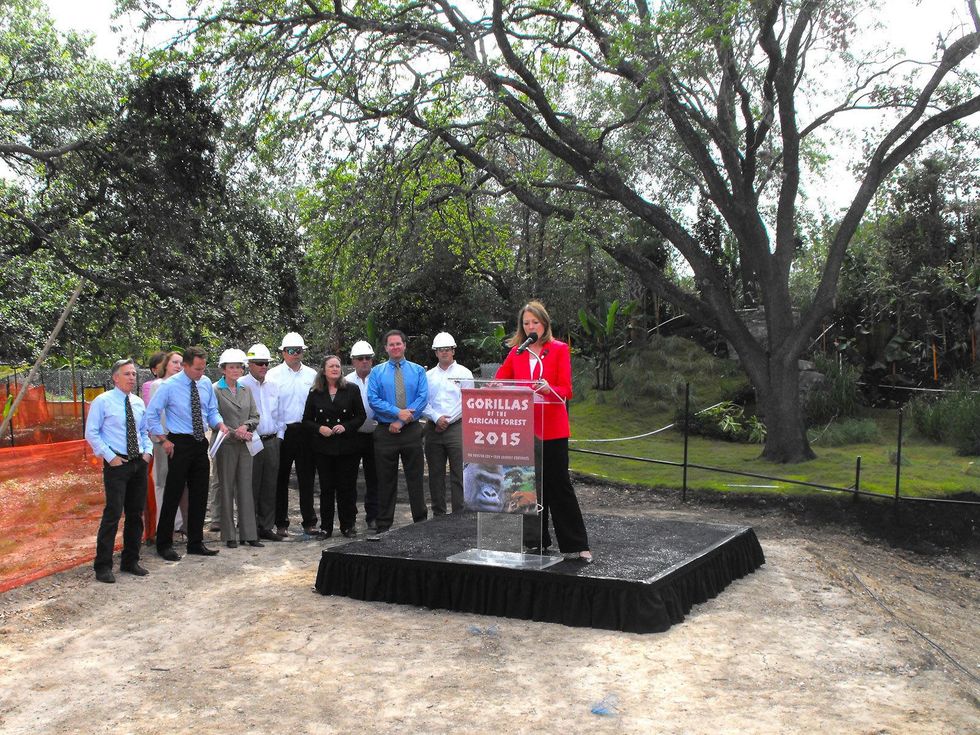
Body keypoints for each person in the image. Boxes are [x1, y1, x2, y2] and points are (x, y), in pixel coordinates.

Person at [495, 301, 592, 562]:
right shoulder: (517, 351)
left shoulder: (558, 349)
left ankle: (575, 544)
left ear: (545, 324)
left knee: (559, 486)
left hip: (553, 428)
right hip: (524, 429)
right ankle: (535, 542)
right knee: (526, 486)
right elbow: (500, 381)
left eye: (534, 323)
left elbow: (567, 390)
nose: (530, 327)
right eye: (526, 323)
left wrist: (551, 389)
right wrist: (492, 389)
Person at [146, 346, 229, 561]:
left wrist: (219, 424)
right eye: (196, 369)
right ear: (185, 365)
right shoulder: (169, 386)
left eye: (203, 368)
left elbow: (211, 410)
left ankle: (195, 542)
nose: (200, 373)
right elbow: (151, 415)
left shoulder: (204, 384)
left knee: (200, 494)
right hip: (179, 442)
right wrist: (163, 440)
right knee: (173, 493)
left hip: (200, 442)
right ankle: (164, 543)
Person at [85, 358, 153, 583]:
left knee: (135, 514)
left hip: (138, 464)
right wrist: (110, 457)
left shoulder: (137, 402)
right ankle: (103, 566)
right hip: (117, 465)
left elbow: (144, 431)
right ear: (115, 377)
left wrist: (147, 452)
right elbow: (92, 432)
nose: (132, 377)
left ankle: (130, 560)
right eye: (127, 374)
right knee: (113, 514)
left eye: (134, 373)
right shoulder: (103, 401)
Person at [367, 329, 429, 533]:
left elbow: (422, 398)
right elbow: (373, 399)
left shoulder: (418, 370)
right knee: (385, 480)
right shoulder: (376, 372)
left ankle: (420, 521)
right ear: (385, 348)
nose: (395, 347)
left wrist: (402, 421)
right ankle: (384, 524)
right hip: (385, 432)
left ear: (404, 345)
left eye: (398, 343)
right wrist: (396, 413)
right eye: (391, 344)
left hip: (410, 430)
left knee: (415, 478)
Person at [303, 355, 366, 537]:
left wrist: (346, 426)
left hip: (347, 447)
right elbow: (306, 420)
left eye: (338, 366)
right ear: (323, 370)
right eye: (331, 366)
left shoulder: (352, 390)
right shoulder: (315, 392)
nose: (335, 369)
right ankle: (326, 527)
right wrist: (319, 428)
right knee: (326, 489)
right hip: (323, 448)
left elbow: (360, 416)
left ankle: (348, 525)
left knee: (347, 488)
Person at [267, 332, 317, 536]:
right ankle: (281, 523)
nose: (295, 354)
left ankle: (309, 522)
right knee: (281, 478)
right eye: (291, 351)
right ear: (282, 352)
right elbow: (271, 407)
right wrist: (278, 433)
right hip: (284, 431)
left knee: (307, 478)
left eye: (299, 350)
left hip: (306, 432)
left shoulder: (312, 375)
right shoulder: (273, 375)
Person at [212, 349, 262, 548]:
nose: (235, 370)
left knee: (245, 487)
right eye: (231, 367)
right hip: (225, 443)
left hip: (245, 443)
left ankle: (249, 534)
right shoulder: (215, 390)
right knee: (225, 487)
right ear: (223, 369)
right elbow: (213, 417)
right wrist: (235, 431)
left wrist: (246, 427)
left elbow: (255, 416)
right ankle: (229, 535)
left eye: (238, 367)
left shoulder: (245, 390)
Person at [423, 332, 473, 515]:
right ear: (435, 353)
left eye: (447, 349)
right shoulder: (428, 376)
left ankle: (459, 513)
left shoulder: (464, 373)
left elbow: (467, 401)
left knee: (458, 473)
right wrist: (436, 418)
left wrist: (447, 420)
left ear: (453, 351)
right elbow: (423, 402)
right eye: (440, 350)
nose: (444, 352)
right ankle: (439, 514)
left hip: (456, 427)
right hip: (433, 428)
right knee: (435, 474)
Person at [240, 342, 286, 541]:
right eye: (259, 363)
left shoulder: (274, 385)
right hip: (250, 442)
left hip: (271, 441)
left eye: (266, 363)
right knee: (251, 486)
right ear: (249, 364)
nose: (263, 367)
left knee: (269, 486)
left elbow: (280, 415)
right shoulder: (241, 385)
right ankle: (249, 529)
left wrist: (279, 438)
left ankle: (266, 526)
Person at [147, 350, 188, 536]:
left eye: (181, 363)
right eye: (174, 362)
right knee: (163, 484)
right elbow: (155, 415)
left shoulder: (184, 386)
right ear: (165, 365)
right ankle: (165, 525)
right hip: (163, 442)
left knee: (181, 484)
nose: (178, 366)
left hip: (180, 442)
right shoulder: (159, 385)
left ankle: (180, 522)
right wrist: (163, 439)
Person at [346, 339, 379, 529]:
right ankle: (349, 519)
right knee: (349, 479)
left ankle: (373, 516)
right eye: (360, 358)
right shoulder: (346, 381)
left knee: (375, 478)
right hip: (353, 435)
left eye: (368, 358)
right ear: (353, 361)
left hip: (376, 435)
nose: (364, 361)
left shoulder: (379, 377)